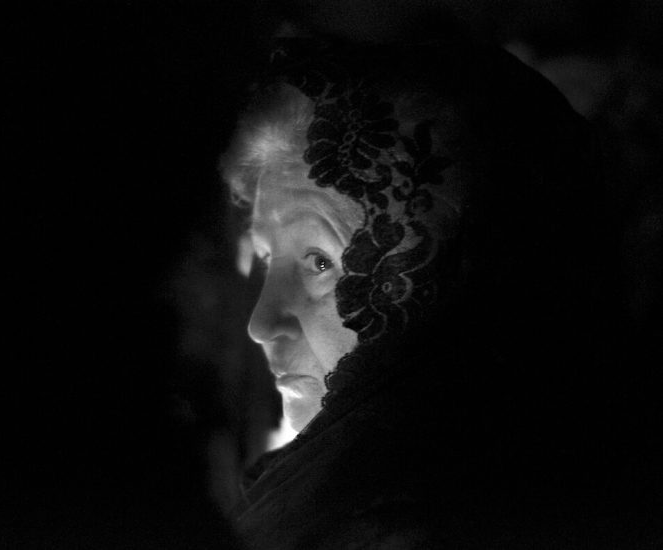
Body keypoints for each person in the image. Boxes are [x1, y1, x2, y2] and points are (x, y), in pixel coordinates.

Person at [218, 14, 616, 550]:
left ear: (458, 286)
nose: (261, 323)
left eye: (320, 262)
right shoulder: (296, 502)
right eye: (268, 260)